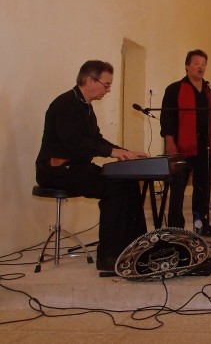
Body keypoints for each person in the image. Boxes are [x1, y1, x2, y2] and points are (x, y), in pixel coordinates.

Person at [35, 60, 147, 271]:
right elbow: (76, 143)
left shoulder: (86, 107)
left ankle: (137, 246)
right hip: (55, 170)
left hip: (76, 167)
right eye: (106, 84)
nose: (108, 89)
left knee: (128, 182)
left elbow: (96, 139)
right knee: (112, 188)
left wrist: (124, 152)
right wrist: (113, 153)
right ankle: (108, 256)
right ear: (89, 80)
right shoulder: (65, 104)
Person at [161, 49, 211, 235]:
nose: (200, 67)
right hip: (181, 146)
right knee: (178, 188)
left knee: (203, 189)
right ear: (187, 66)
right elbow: (167, 118)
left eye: (203, 63)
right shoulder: (174, 89)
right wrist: (169, 141)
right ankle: (175, 228)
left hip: (205, 146)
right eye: (196, 63)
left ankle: (201, 225)